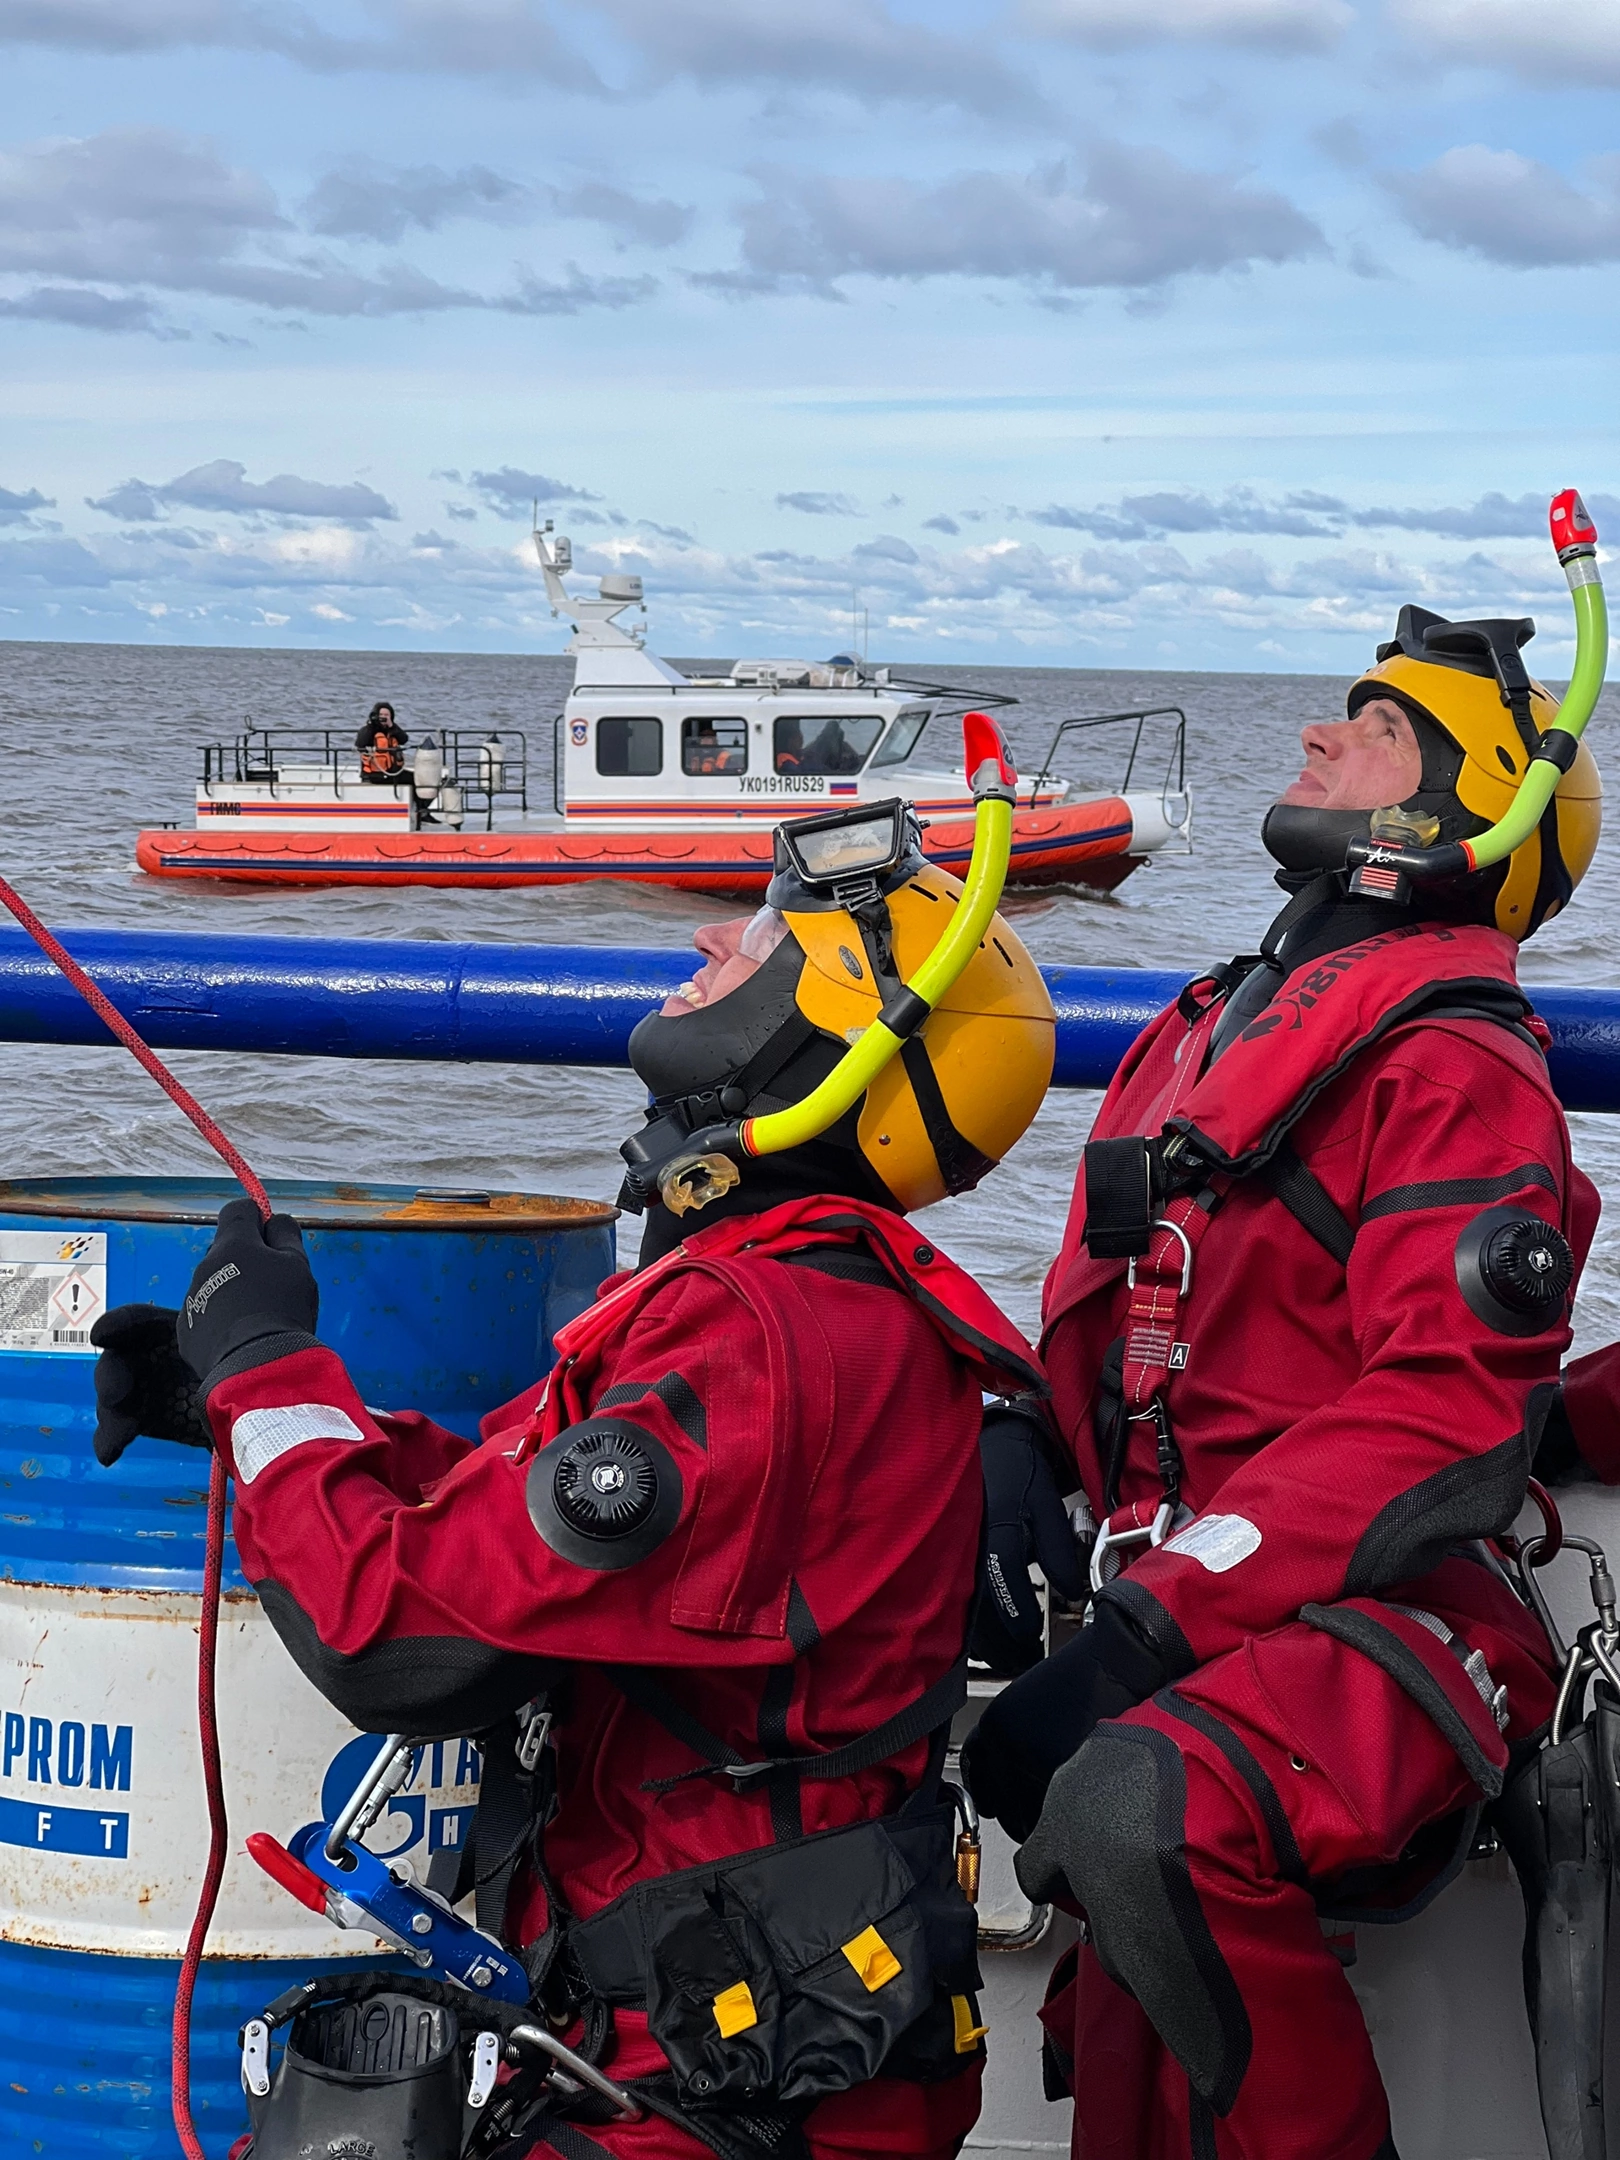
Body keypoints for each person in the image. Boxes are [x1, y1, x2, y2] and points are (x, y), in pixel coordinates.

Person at [89, 797, 1058, 2160]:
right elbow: (502, 1512)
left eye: (767, 939)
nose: (719, 935)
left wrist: (267, 1366)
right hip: (712, 2036)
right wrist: (232, 1411)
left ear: (836, 1046)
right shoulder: (783, 1303)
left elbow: (404, 1643)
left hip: (726, 2088)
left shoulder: (761, 1338)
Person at [963, 604, 1603, 2160]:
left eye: (1376, 727)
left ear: (1471, 811)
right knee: (1128, 2026)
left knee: (1139, 1815)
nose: (1322, 736)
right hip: (1202, 1589)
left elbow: (1445, 1414)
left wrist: (1146, 1621)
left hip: (1392, 1608)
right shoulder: (1201, 1028)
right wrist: (1017, 1431)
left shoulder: (1452, 1062)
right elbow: (1154, 1325)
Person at [356, 699, 407, 781]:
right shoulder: (368, 730)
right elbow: (360, 744)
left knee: (414, 779)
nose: (383, 717)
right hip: (373, 774)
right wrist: (371, 725)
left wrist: (391, 726)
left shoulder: (393, 729)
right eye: (381, 715)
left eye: (386, 715)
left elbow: (404, 739)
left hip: (393, 772)